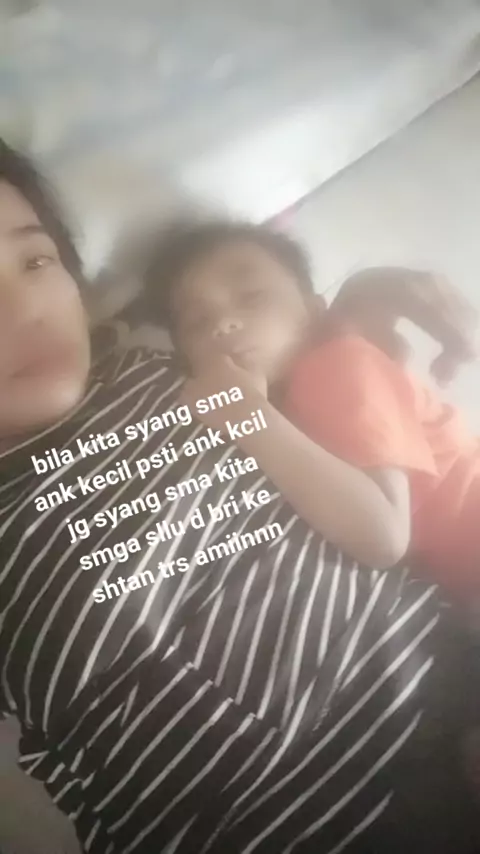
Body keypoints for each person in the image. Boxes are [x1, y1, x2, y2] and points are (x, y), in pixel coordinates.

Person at [0, 140, 473, 854]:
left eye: (36, 261)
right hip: (255, 825)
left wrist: (348, 308)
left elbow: (286, 351)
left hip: (431, 681)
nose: (24, 307)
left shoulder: (164, 366)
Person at [138, 219, 479, 595]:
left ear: (315, 311)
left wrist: (249, 417)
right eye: (197, 321)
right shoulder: (287, 404)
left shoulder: (340, 363)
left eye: (251, 297)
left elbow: (384, 536)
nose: (222, 323)